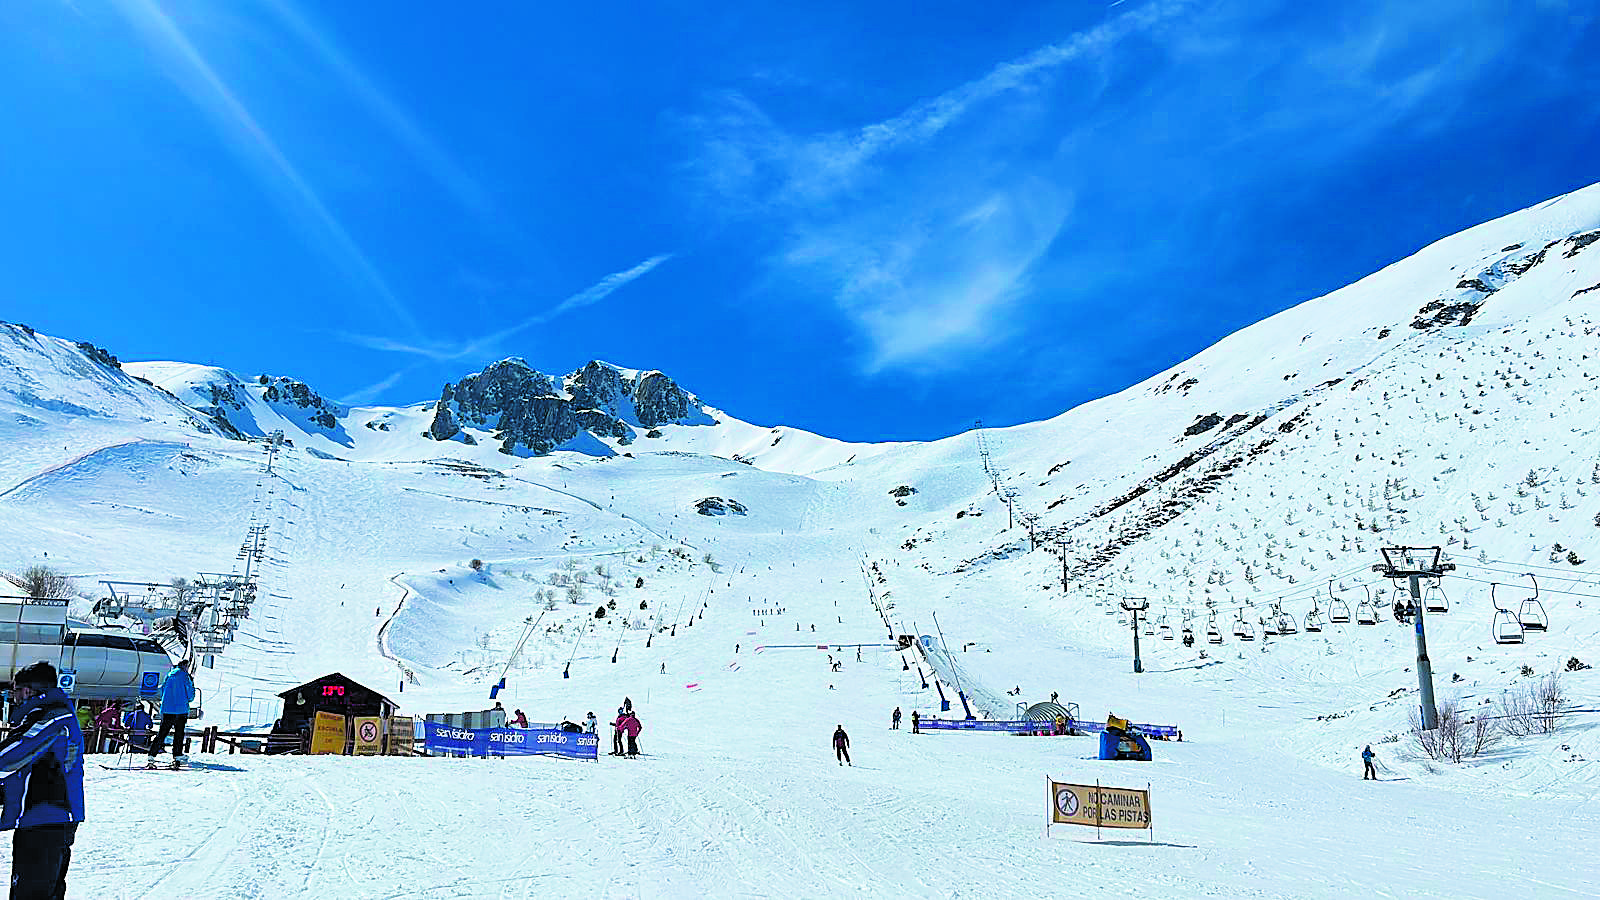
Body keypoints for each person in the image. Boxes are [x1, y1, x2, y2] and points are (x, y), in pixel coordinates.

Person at [0, 661, 85, 900]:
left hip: (48, 815)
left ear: (29, 690)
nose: (12, 697)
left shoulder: (53, 718)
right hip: (45, 815)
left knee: (32, 893)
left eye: (15, 690)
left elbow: (12, 756)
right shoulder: (48, 714)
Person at [148, 658, 195, 767]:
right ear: (185, 666)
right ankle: (177, 754)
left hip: (167, 709)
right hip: (180, 709)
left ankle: (152, 754)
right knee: (179, 733)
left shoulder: (169, 676)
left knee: (162, 733)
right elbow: (190, 695)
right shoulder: (185, 676)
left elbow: (163, 690)